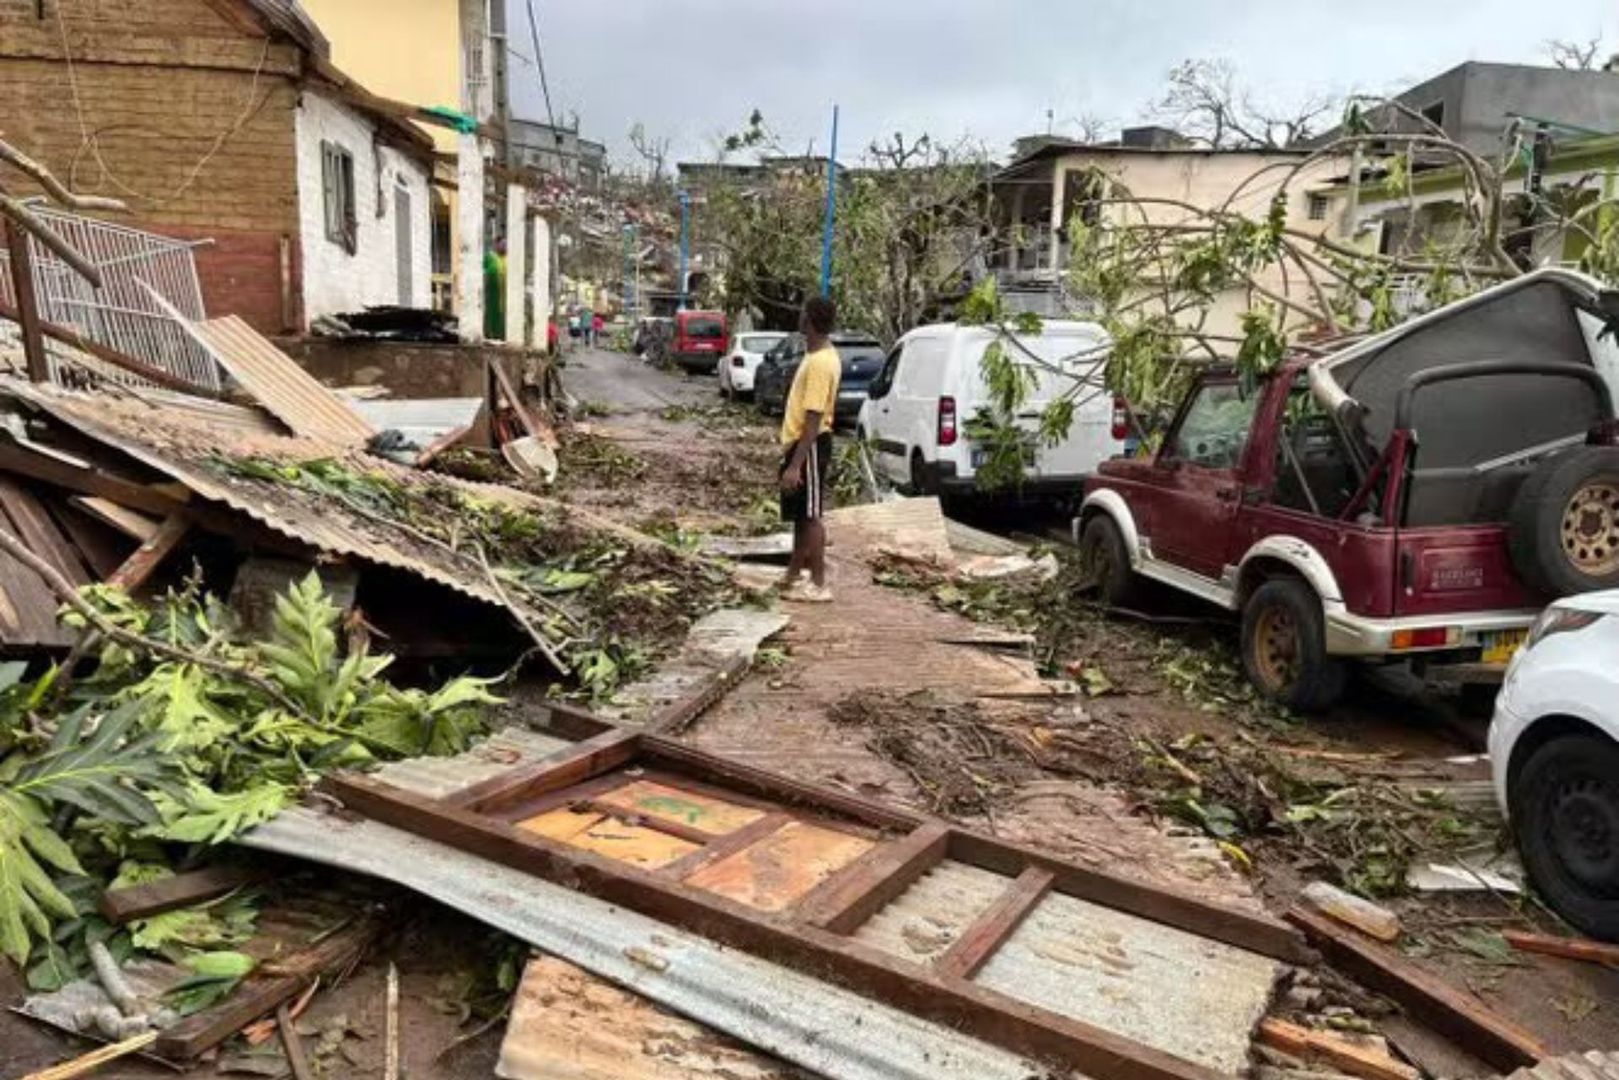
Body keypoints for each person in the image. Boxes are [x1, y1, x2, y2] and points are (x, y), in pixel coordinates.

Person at [778, 296, 840, 603]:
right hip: (800, 444)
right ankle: (792, 575)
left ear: (811, 320)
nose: (799, 318)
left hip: (811, 445)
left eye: (803, 314)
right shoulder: (816, 354)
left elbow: (814, 419)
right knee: (800, 515)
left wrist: (795, 465)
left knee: (812, 515)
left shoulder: (819, 363)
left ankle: (818, 584)